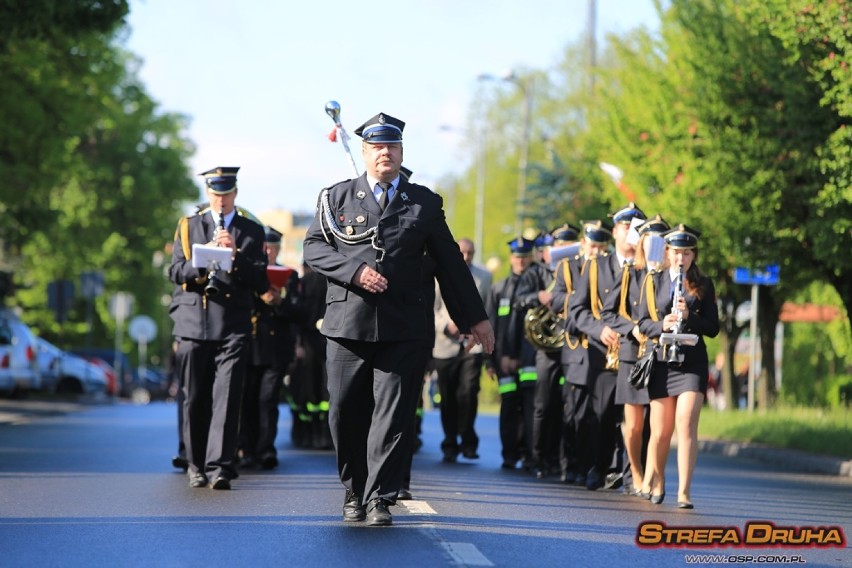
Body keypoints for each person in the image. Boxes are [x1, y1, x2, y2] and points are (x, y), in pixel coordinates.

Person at [302, 112, 495, 527]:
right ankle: (354, 490)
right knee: (345, 412)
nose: (384, 153)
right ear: (366, 153)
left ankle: (378, 498)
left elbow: (451, 266)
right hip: (347, 326)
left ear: (401, 152)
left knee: (392, 416)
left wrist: (474, 319)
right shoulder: (335, 198)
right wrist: (353, 272)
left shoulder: (423, 202)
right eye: (376, 147)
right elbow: (314, 250)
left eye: (391, 146)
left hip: (402, 327)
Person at [167, 166, 269, 490]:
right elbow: (174, 272)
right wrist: (202, 261)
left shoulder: (251, 230)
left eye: (226, 193)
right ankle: (195, 464)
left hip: (232, 324)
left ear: (234, 193)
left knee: (227, 398)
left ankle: (221, 466)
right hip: (193, 322)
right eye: (215, 193)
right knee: (195, 397)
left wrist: (234, 256)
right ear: (208, 194)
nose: (221, 199)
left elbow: (260, 280)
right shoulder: (188, 226)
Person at [636, 224, 719, 508]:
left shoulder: (704, 284)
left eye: (687, 253)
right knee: (660, 431)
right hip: (662, 360)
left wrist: (689, 316)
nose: (681, 258)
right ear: (667, 252)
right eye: (676, 252)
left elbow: (713, 328)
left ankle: (684, 491)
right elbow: (642, 322)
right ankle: (657, 480)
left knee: (686, 423)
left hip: (692, 362)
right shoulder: (653, 280)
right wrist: (663, 324)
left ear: (694, 255)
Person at [569, 203, 646, 490]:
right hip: (604, 353)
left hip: (637, 353)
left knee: (636, 417)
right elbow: (577, 311)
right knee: (600, 414)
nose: (631, 233)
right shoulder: (596, 265)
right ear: (614, 231)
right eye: (626, 227)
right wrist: (598, 329)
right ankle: (598, 467)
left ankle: (630, 474)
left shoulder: (647, 270)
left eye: (637, 228)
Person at [601, 214, 669, 496]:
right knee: (633, 426)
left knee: (658, 425)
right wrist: (631, 329)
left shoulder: (670, 276)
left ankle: (654, 476)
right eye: (649, 239)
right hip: (633, 352)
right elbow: (609, 312)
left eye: (660, 240)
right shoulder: (632, 273)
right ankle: (637, 474)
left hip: (661, 354)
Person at [550, 221, 609, 486]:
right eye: (592, 245)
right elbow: (555, 301)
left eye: (600, 247)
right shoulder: (567, 267)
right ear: (583, 244)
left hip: (602, 349)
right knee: (573, 411)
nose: (595, 251)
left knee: (595, 414)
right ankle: (569, 464)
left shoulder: (610, 270)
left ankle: (589, 466)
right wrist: (578, 300)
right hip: (576, 347)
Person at [238, 226, 300, 470]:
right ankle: (246, 449)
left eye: (273, 249)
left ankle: (265, 449)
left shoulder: (291, 276)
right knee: (246, 401)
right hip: (249, 346)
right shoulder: (249, 272)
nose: (269, 253)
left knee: (267, 401)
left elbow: (300, 313)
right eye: (266, 249)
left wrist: (280, 302)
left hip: (275, 349)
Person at [431, 238, 492, 463]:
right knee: (447, 397)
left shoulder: (484, 277)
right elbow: (432, 307)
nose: (466, 257)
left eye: (470, 253)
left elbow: (486, 309)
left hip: (472, 346)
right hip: (445, 344)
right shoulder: (438, 273)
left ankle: (468, 441)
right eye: (462, 253)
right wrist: (446, 325)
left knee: (468, 393)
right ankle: (450, 443)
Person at [528, 224, 580, 479]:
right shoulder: (538, 273)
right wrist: (538, 297)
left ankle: (567, 463)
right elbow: (518, 299)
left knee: (570, 405)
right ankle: (538, 459)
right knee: (543, 405)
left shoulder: (581, 271)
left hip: (572, 344)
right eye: (559, 247)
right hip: (547, 348)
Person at [485, 237, 539, 471]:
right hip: (503, 359)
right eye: (517, 256)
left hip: (529, 360)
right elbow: (491, 325)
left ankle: (528, 454)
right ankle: (509, 455)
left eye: (525, 256)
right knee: (508, 406)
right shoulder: (499, 288)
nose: (521, 261)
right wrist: (491, 359)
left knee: (529, 407)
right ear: (511, 258)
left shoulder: (538, 288)